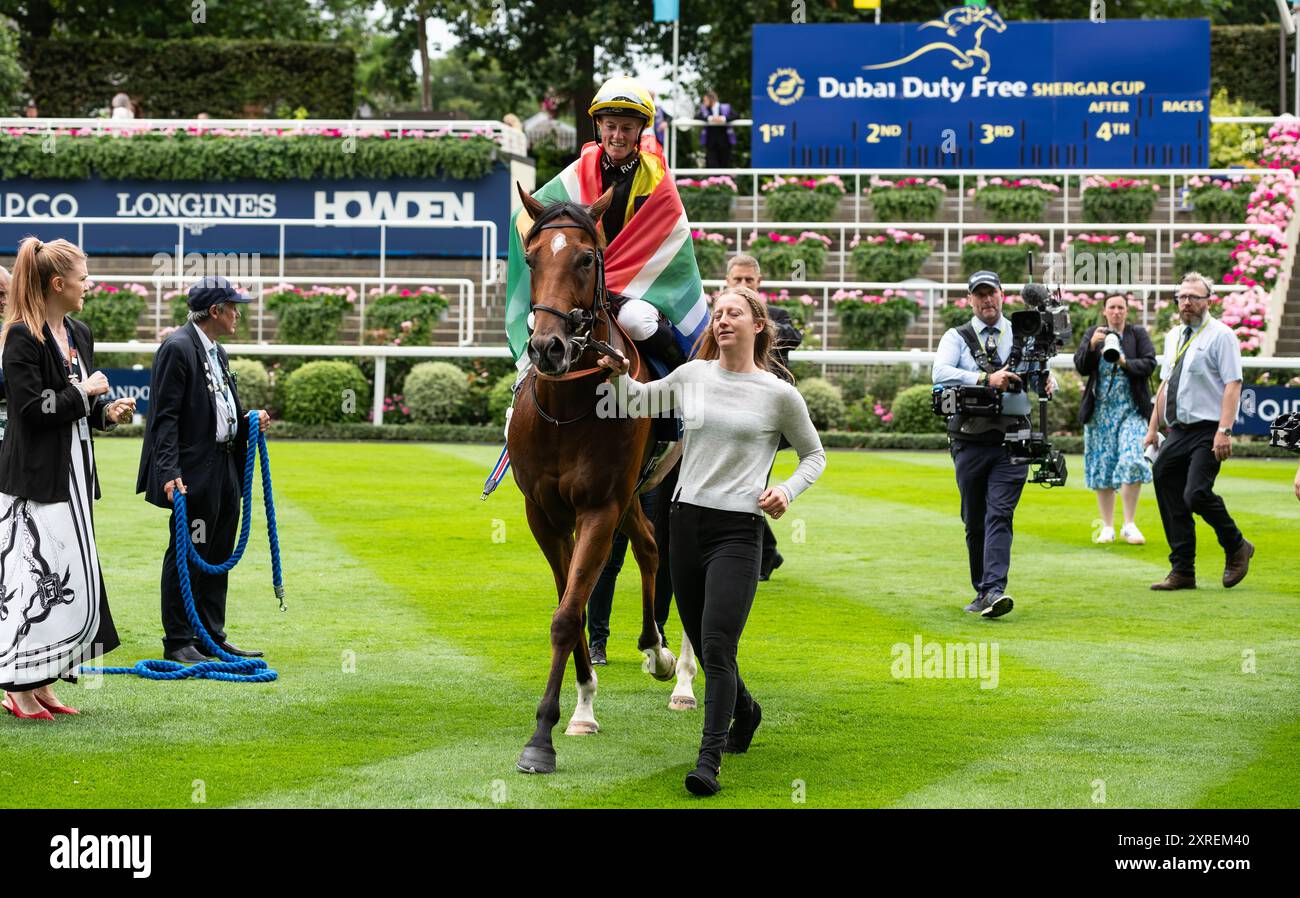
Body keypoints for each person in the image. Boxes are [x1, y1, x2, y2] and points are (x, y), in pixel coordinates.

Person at [597, 285, 826, 797]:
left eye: (734, 313)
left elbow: (814, 455)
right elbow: (635, 400)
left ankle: (708, 761)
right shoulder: (693, 376)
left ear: (757, 325)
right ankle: (747, 711)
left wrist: (786, 490)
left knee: (718, 645)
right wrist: (617, 374)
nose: (722, 320)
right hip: (683, 524)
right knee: (702, 638)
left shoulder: (778, 394)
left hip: (738, 531)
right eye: (717, 313)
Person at [0, 237, 134, 719]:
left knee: (68, 579)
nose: (87, 285)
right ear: (58, 283)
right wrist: (85, 391)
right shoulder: (21, 336)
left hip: (76, 474)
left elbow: (79, 406)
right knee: (38, 580)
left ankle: (44, 683)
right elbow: (34, 411)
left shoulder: (79, 331)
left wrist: (107, 412)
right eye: (82, 278)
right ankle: (18, 688)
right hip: (35, 479)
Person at [136, 276, 270, 663]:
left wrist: (248, 421)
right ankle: (179, 640)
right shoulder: (177, 348)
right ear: (215, 311)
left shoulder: (217, 350)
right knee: (187, 551)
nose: (238, 314)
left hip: (224, 466)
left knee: (217, 551)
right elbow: (164, 419)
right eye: (233, 306)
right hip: (192, 472)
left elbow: (218, 412)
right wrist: (168, 472)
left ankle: (211, 635)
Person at [932, 271, 1056, 619]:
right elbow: (939, 373)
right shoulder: (956, 337)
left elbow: (1041, 368)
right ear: (970, 299)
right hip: (968, 440)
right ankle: (982, 588)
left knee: (999, 513)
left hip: (1013, 440)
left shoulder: (1023, 331)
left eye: (993, 293)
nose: (987, 300)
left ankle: (993, 589)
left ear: (1003, 296)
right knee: (975, 519)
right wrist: (985, 378)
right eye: (980, 294)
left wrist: (1048, 381)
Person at [1145, 273, 1253, 591]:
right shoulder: (1174, 335)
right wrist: (1153, 427)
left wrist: (1225, 430)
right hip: (1178, 428)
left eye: (1194, 297)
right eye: (1182, 297)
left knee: (1195, 493)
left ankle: (1236, 546)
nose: (1187, 302)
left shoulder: (1222, 336)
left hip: (1209, 428)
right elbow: (1165, 383)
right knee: (1164, 478)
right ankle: (1182, 570)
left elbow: (1234, 384)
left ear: (1209, 301)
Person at [723, 254, 802, 580]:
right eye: (737, 280)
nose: (743, 286)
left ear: (759, 283)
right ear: (727, 282)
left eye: (749, 281)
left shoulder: (777, 316)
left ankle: (759, 556)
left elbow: (794, 336)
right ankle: (766, 552)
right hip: (727, 417)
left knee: (751, 486)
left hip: (766, 422)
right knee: (737, 487)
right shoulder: (719, 318)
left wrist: (753, 322)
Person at [1074, 294, 1157, 545]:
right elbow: (1081, 366)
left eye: (1121, 307)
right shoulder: (1094, 333)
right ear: (1105, 311)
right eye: (1112, 307)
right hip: (1100, 411)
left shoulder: (1137, 334)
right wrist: (1091, 346)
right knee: (1102, 465)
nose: (1117, 312)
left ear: (1127, 311)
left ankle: (1129, 523)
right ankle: (1108, 526)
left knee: (1132, 458)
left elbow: (1150, 364)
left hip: (1131, 409)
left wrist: (1123, 361)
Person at [697, 91, 736, 169]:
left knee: (725, 166)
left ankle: (724, 181)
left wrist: (723, 119)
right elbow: (696, 116)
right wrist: (711, 118)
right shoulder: (704, 110)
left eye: (705, 100)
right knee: (711, 166)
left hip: (725, 142)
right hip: (711, 143)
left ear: (711, 99)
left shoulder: (726, 108)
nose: (704, 103)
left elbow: (736, 115)